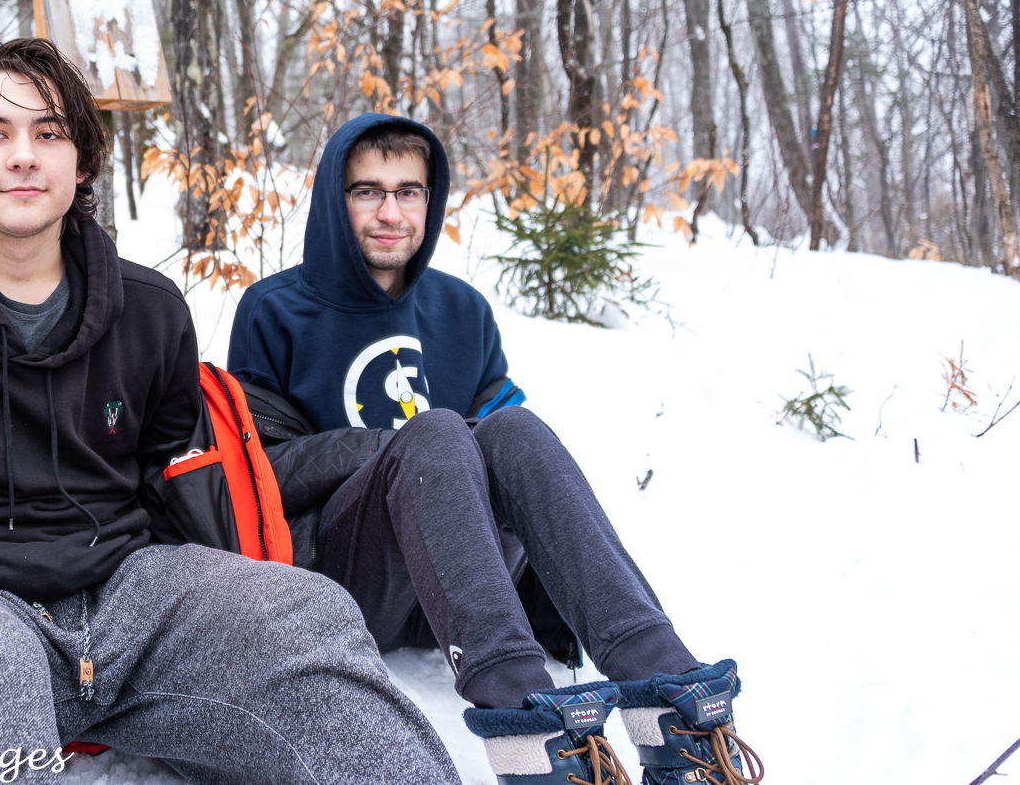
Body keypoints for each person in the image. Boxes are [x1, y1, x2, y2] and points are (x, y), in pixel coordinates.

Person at [0, 40, 461, 784]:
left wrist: (230, 619)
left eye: (49, 133)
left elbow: (178, 494)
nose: (23, 156)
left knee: (303, 612)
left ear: (82, 162)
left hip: (123, 593)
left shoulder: (151, 311)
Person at [226, 113, 762, 785]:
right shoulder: (275, 309)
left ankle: (671, 708)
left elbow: (510, 462)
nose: (390, 212)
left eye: (408, 191)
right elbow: (260, 475)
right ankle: (530, 734)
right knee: (439, 432)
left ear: (431, 200)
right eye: (367, 191)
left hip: (472, 585)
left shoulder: (463, 310)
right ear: (335, 201)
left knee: (515, 429)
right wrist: (394, 447)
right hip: (354, 577)